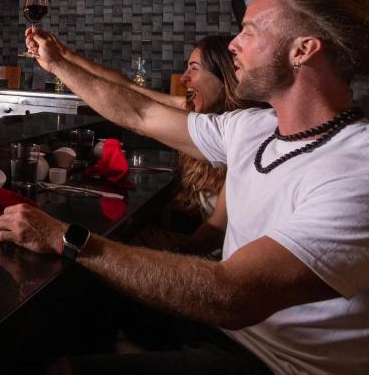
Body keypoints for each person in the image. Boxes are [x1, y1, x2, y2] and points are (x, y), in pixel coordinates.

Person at [0, 0, 369, 375]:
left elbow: (232, 294)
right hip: (223, 329)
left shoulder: (357, 165)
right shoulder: (253, 127)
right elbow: (139, 113)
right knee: (70, 299)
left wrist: (64, 237)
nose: (233, 44)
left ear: (303, 50)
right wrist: (57, 63)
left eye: (249, 31)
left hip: (277, 364)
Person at [59, 34, 262, 253]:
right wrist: (64, 54)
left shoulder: (243, 135)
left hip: (222, 259)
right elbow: (130, 89)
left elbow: (214, 234)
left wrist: (166, 250)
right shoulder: (197, 115)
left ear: (224, 77)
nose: (183, 79)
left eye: (194, 68)